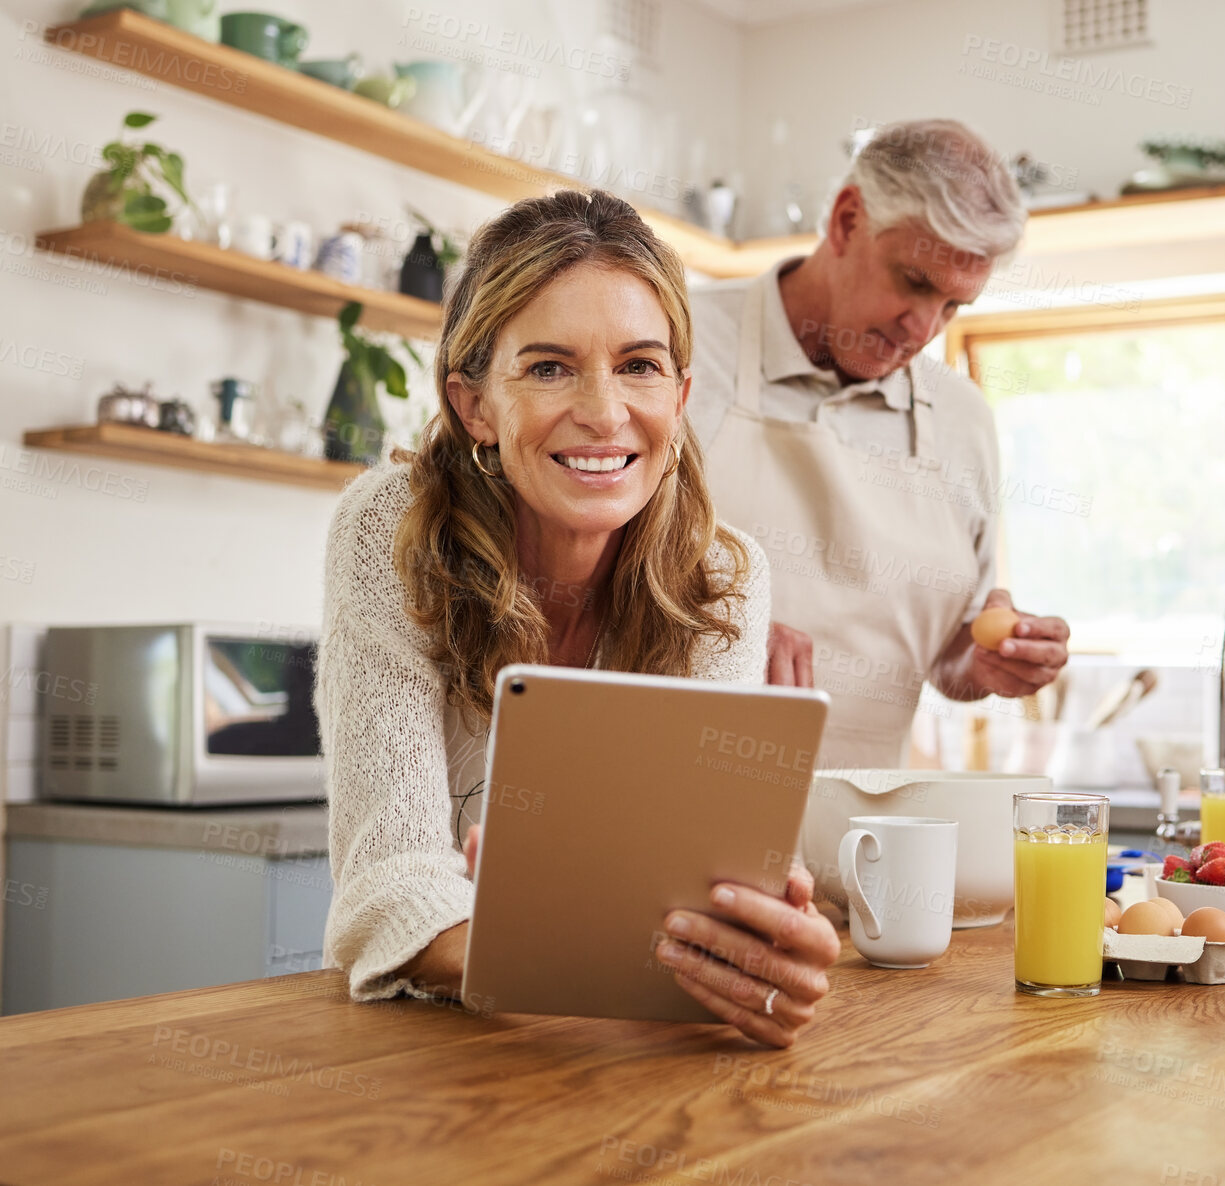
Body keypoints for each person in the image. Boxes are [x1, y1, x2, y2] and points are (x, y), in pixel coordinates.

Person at [314, 190, 838, 1048]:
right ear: (474, 405)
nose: (604, 411)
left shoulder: (725, 576)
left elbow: (704, 882)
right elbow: (389, 876)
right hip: (437, 1053)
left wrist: (761, 944)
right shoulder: (390, 530)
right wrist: (549, 939)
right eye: (550, 367)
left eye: (639, 365)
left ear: (680, 395)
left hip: (628, 1052)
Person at [688, 119, 1070, 768]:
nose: (922, 328)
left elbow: (949, 657)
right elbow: (571, 574)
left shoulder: (961, 419)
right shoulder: (676, 346)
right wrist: (717, 635)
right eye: (914, 282)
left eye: (953, 307)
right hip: (683, 802)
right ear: (845, 221)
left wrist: (989, 662)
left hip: (864, 835)